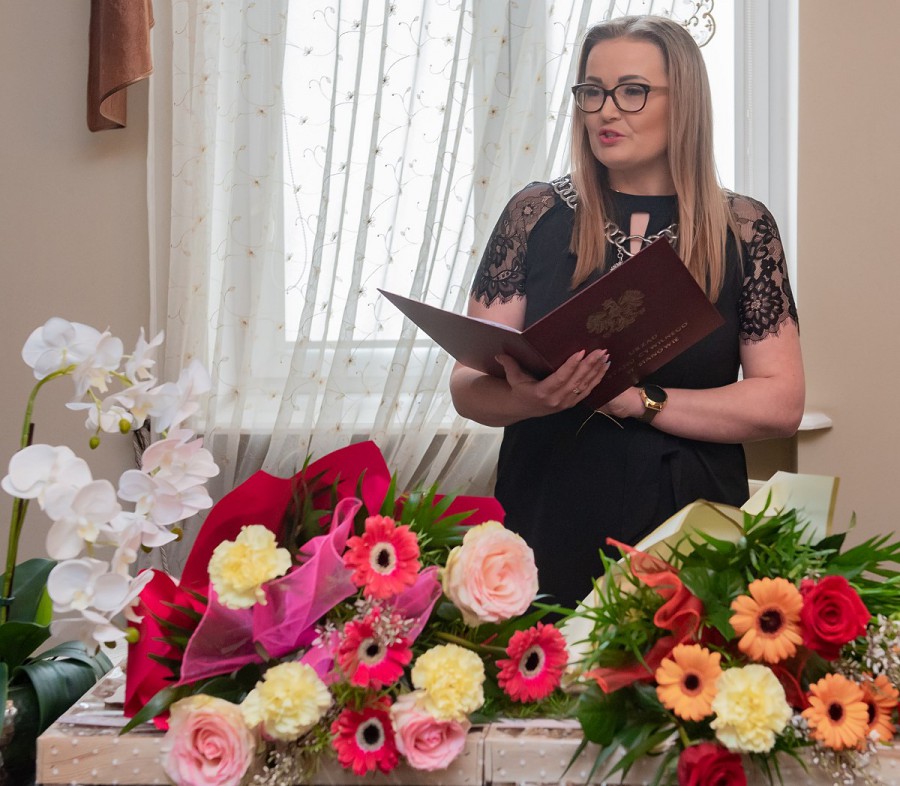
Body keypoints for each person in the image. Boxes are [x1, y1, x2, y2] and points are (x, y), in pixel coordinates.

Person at [449, 15, 804, 609]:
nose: (605, 111)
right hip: (548, 502)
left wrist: (641, 401)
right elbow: (467, 386)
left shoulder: (743, 228)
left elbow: (781, 402)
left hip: (689, 517)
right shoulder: (533, 214)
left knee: (683, 666)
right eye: (592, 91)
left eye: (632, 91)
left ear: (684, 102)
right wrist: (533, 399)